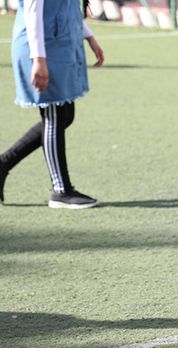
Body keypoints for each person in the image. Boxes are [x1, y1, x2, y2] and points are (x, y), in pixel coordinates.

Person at [0, 0, 104, 208]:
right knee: (55, 115)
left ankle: (3, 164)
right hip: (41, 48)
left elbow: (66, 8)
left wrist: (89, 36)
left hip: (57, 44)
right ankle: (61, 190)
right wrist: (38, 59)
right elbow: (32, 12)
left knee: (64, 116)